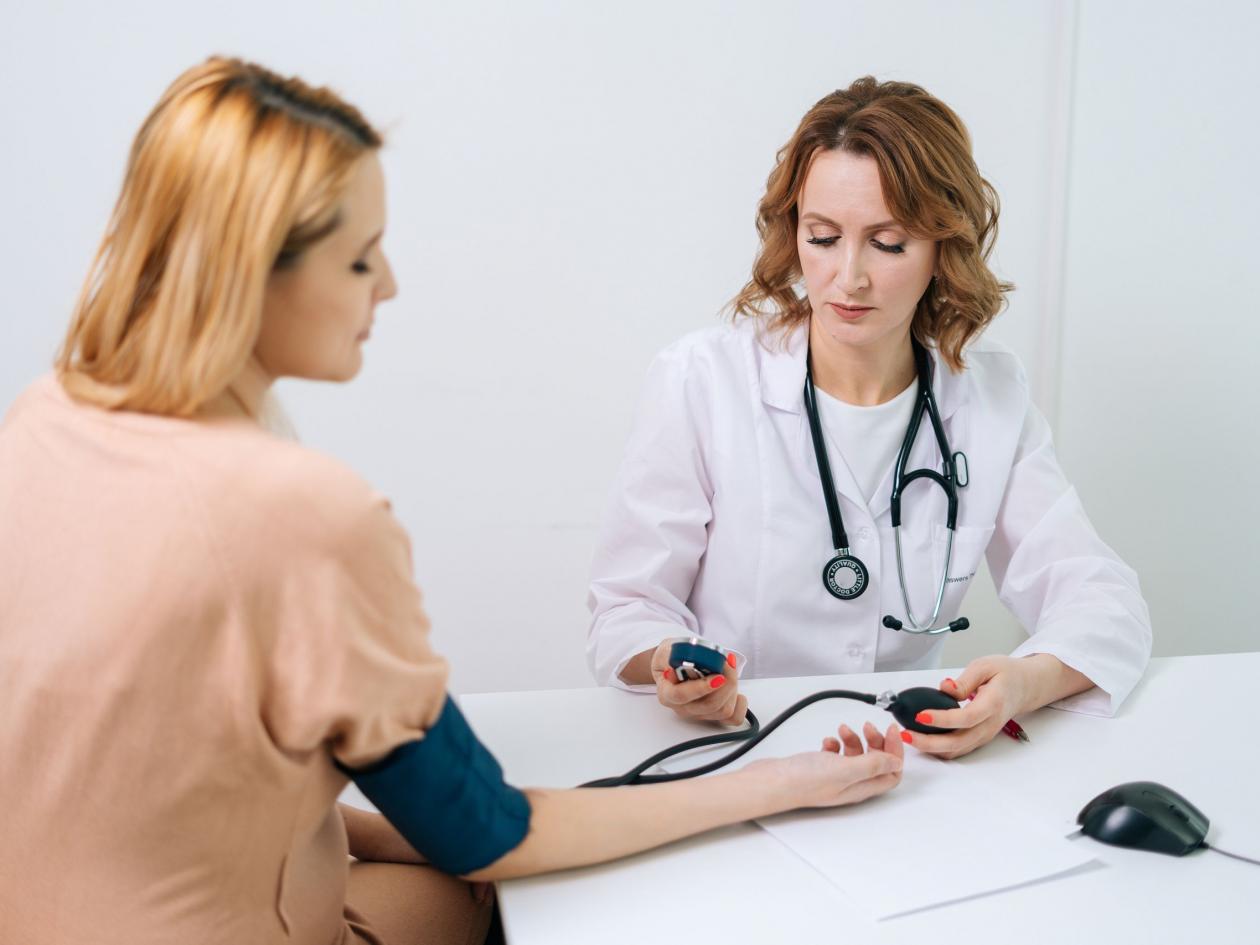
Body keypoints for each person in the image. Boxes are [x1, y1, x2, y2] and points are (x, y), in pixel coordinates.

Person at [0, 58, 909, 945]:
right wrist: (782, 783)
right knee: (489, 896)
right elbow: (493, 834)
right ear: (251, 272)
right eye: (361, 260)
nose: (389, 285)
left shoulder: (39, 421)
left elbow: (142, 776)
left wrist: (395, 837)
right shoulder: (309, 516)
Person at [586, 76, 1152, 760]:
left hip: (905, 760)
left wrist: (1026, 681)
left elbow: (1102, 600)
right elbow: (625, 608)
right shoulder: (701, 380)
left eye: (887, 244)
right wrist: (666, 662)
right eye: (822, 237)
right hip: (731, 750)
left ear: (945, 247)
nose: (846, 277)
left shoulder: (988, 394)